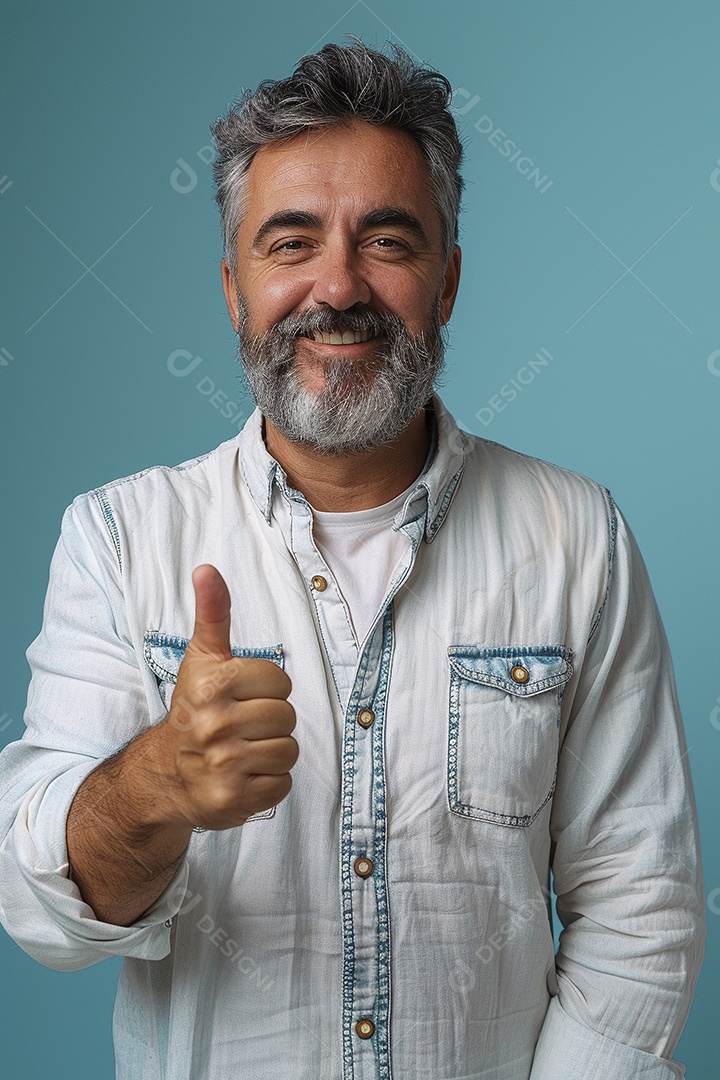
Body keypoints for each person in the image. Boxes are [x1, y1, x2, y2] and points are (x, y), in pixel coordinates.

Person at [0, 40, 704, 1080]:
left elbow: (639, 900)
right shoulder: (118, 538)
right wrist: (158, 782)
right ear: (235, 288)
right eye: (291, 243)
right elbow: (46, 916)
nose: (338, 284)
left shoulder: (577, 536)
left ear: (448, 281)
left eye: (387, 239)